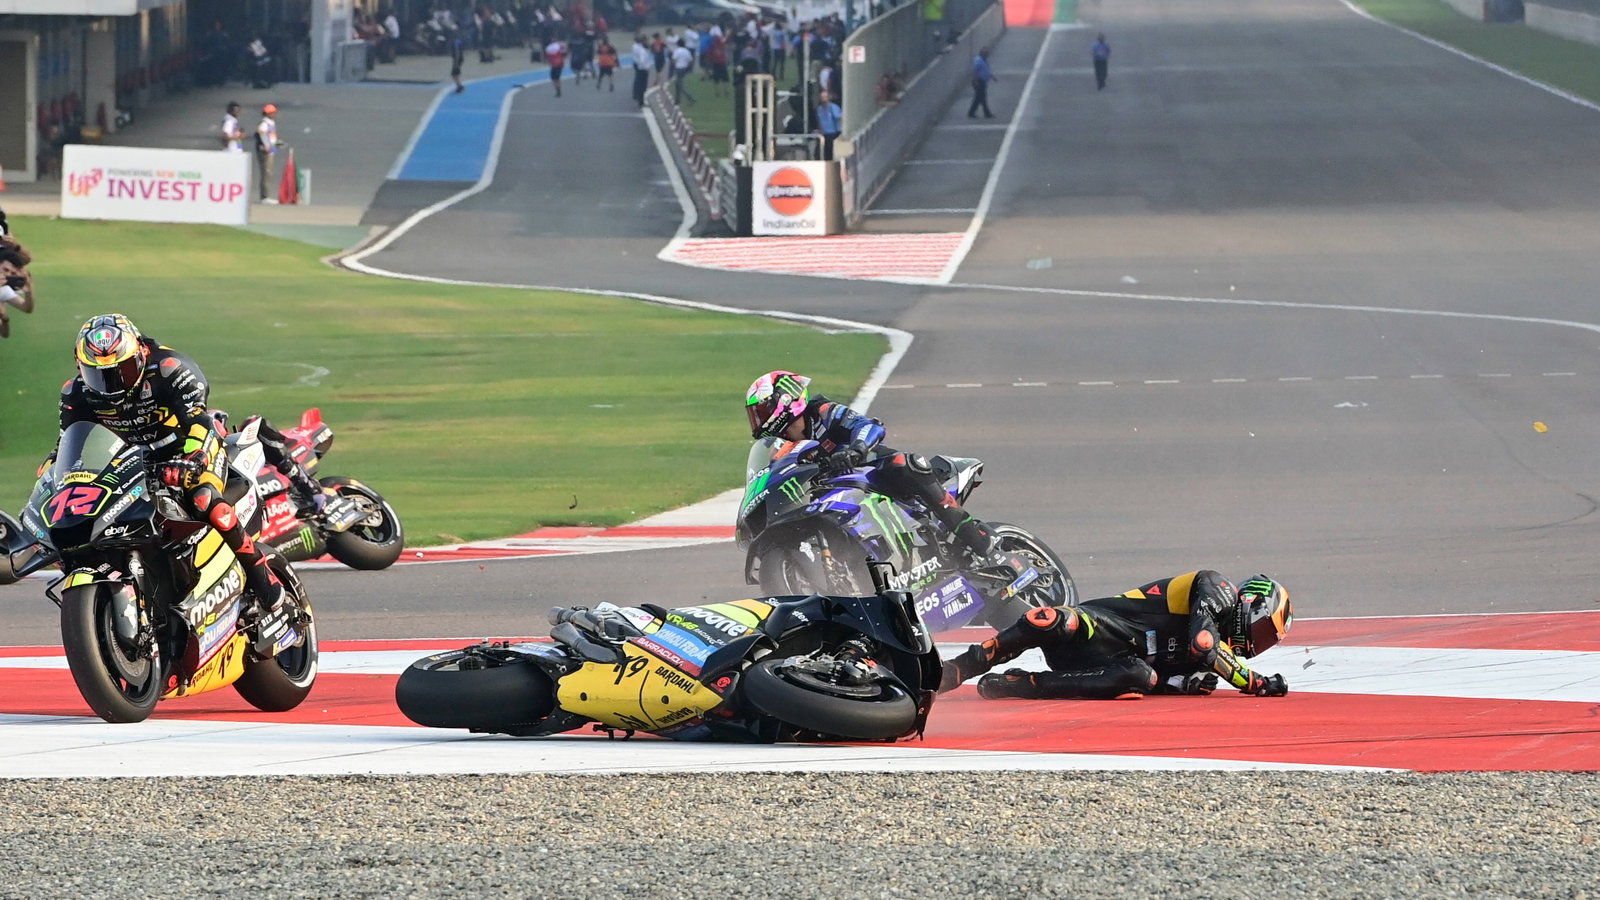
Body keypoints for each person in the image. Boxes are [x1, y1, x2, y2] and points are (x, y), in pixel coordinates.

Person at [48, 315, 289, 636]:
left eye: (123, 371)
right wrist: (51, 480)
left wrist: (193, 458)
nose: (113, 384)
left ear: (138, 356)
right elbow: (69, 445)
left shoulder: (170, 368)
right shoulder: (75, 394)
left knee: (203, 497)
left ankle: (262, 579)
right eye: (99, 376)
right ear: (81, 369)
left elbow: (198, 420)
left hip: (189, 448)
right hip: (131, 464)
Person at [745, 370, 1012, 568]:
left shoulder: (822, 410)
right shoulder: (779, 446)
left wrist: (856, 449)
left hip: (870, 468)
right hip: (833, 490)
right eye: (754, 413)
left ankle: (975, 538)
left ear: (786, 399)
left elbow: (868, 425)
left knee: (905, 463)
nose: (758, 419)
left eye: (762, 409)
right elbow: (772, 475)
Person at [939, 571, 1294, 700]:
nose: (1255, 644)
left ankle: (1020, 685)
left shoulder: (1204, 670)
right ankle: (955, 670)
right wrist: (1255, 683)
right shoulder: (1217, 588)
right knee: (1047, 620)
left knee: (1138, 678)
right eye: (1262, 630)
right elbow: (1204, 644)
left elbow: (1166, 679)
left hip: (1108, 665)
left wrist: (1179, 684)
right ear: (1250, 604)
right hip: (1100, 627)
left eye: (1267, 641)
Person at [0, 237, 35, 340]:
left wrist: (29, 291)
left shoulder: (3, 290)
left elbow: (26, 308)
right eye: (5, 269)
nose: (7, 274)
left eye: (12, 273)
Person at [254, 104, 280, 203]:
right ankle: (265, 197)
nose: (274, 114)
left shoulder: (271, 123)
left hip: (271, 149)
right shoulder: (265, 123)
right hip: (266, 151)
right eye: (273, 113)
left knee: (268, 173)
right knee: (266, 173)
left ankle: (266, 195)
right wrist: (266, 145)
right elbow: (261, 132)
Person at [814, 88, 842, 160]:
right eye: (822, 98)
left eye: (825, 97)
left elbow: (838, 118)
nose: (824, 100)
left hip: (833, 133)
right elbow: (819, 120)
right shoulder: (819, 109)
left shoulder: (834, 107)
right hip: (824, 134)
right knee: (822, 152)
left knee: (831, 152)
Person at [968, 47, 994, 118]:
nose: (987, 55)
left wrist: (991, 77)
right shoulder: (978, 60)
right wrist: (975, 81)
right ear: (982, 53)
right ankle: (987, 113)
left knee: (979, 98)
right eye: (986, 53)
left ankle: (972, 112)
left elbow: (985, 70)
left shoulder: (984, 60)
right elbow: (975, 71)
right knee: (982, 97)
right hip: (979, 81)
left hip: (982, 81)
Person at [631, 33, 653, 108]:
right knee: (642, 85)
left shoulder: (638, 47)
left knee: (640, 84)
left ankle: (640, 99)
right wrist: (646, 68)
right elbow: (642, 61)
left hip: (640, 67)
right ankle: (641, 101)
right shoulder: (641, 50)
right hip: (642, 68)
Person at [671, 38, 696, 105]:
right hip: (684, 68)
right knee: (677, 84)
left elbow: (674, 60)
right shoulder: (687, 51)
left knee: (679, 85)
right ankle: (677, 100)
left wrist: (674, 66)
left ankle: (690, 98)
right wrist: (687, 67)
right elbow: (690, 61)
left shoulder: (677, 51)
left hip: (678, 68)